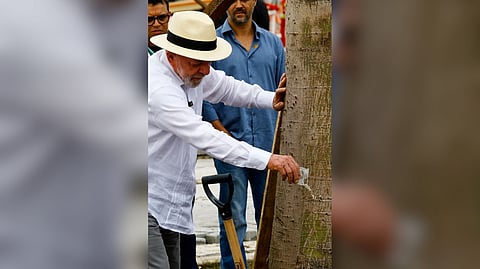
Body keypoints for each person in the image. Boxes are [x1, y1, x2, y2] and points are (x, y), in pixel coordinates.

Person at [148, 11, 300, 269]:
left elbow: (229, 88)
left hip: (172, 202)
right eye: (199, 63)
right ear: (172, 55)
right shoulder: (158, 89)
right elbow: (208, 137)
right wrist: (268, 159)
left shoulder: (191, 69)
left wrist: (270, 99)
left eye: (208, 62)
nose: (206, 70)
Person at [201, 0, 285, 267]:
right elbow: (204, 93)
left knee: (270, 217)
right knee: (233, 218)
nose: (239, 4)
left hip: (267, 146)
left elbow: (283, 91)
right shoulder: (211, 43)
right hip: (228, 146)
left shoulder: (273, 44)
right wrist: (221, 133)